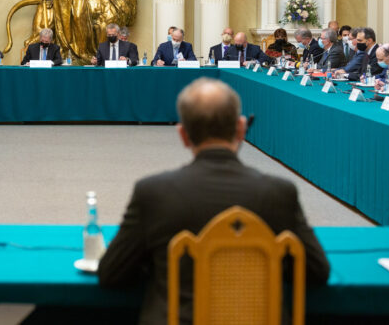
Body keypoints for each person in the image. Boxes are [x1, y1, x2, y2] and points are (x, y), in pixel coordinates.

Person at [97, 78, 330, 325]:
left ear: (183, 135)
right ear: (241, 129)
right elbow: (316, 272)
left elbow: (112, 274)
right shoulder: (279, 193)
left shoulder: (153, 192)